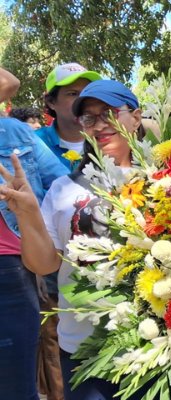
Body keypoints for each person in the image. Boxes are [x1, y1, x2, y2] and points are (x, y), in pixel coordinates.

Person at [0, 79, 146, 400]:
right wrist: (27, 214)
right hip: (83, 349)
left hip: (151, 347)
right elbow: (44, 264)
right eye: (89, 118)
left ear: (135, 118)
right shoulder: (64, 189)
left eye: (109, 113)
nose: (99, 124)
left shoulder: (166, 183)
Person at [0, 113, 68, 399]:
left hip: (9, 268)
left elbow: (65, 188)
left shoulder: (12, 132)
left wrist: (32, 222)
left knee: (15, 386)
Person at [35, 63, 101, 170]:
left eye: (87, 93)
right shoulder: (34, 143)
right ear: (51, 102)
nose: (82, 100)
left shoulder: (106, 140)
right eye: (73, 94)